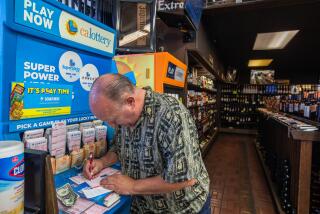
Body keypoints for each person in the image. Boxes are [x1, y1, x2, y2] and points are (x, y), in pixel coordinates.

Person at [83, 73, 210, 213]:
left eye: (113, 119)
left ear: (130, 102)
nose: (112, 125)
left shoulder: (171, 114)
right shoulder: (121, 115)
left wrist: (133, 186)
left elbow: (185, 178)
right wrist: (102, 162)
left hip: (183, 209)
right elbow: (119, 147)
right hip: (144, 207)